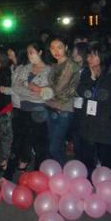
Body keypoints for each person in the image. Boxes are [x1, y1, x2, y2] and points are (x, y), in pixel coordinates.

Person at [1, 41, 50, 179]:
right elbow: (16, 87)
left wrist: (38, 90)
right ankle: (7, 175)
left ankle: (38, 178)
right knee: (17, 144)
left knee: (39, 147)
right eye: (28, 53)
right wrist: (34, 90)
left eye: (32, 52)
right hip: (22, 111)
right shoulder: (25, 68)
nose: (29, 55)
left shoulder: (48, 70)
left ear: (40, 52)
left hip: (39, 112)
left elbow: (49, 93)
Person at [76, 43, 111, 175]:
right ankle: (88, 184)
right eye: (88, 55)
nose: (88, 58)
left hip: (105, 125)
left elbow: (103, 96)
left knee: (106, 161)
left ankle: (107, 185)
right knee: (87, 160)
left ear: (102, 56)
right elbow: (81, 90)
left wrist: (92, 88)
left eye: (92, 55)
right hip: (88, 123)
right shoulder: (86, 72)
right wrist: (91, 78)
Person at [42, 36, 80, 165]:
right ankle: (59, 172)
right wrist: (44, 90)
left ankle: (63, 171)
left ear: (66, 48)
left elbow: (59, 88)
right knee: (55, 145)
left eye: (59, 47)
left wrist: (42, 90)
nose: (56, 51)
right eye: (52, 48)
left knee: (54, 147)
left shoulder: (71, 65)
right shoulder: (54, 66)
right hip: (50, 108)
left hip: (63, 109)